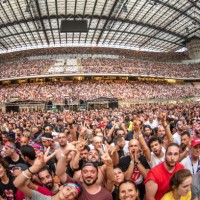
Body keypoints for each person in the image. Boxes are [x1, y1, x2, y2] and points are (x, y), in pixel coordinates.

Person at [14, 147, 81, 200]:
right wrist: (34, 168)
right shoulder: (40, 197)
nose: (68, 193)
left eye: (73, 194)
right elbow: (17, 184)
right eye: (68, 189)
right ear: (61, 187)